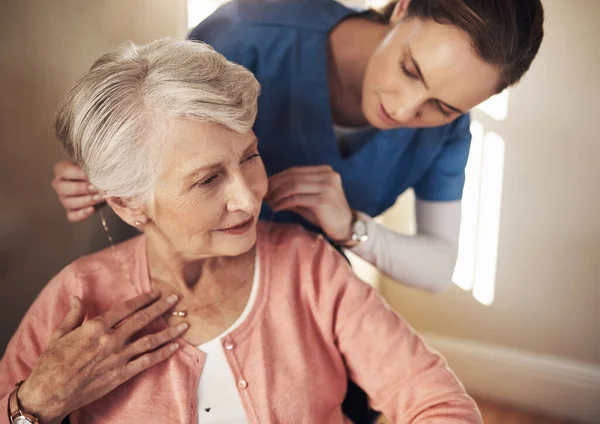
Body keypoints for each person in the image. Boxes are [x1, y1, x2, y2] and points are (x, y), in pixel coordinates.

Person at [49, 0, 544, 421]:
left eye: (444, 106)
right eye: (411, 70)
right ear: (403, 7)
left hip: (301, 299)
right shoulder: (248, 33)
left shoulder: (321, 275)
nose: (407, 108)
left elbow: (438, 273)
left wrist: (352, 229)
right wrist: (106, 172)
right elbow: (152, 130)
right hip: (175, 270)